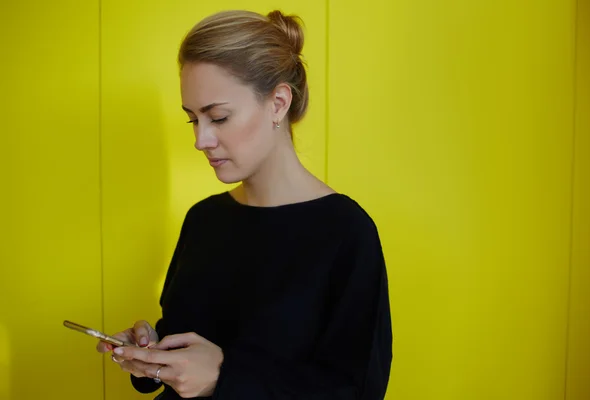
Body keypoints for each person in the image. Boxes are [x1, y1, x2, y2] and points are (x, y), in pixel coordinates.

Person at [96, 9, 393, 400]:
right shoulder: (204, 219)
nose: (201, 140)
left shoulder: (345, 233)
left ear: (278, 103)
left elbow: (353, 391)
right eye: (192, 120)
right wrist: (152, 352)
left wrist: (223, 377)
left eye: (218, 117)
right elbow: (189, 345)